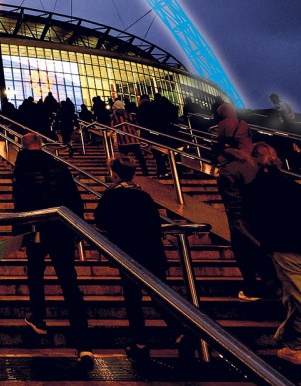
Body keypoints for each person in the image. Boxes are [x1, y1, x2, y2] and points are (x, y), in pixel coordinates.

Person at [94, 155, 185, 359]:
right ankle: (179, 332)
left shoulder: (112, 195)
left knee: (133, 299)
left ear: (115, 174)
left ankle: (140, 341)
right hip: (152, 251)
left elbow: (100, 220)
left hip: (128, 253)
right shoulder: (144, 195)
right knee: (160, 295)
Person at [12, 132, 92, 362]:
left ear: (23, 147)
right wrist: (77, 228)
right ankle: (83, 342)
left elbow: (21, 200)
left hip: (37, 228)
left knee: (36, 272)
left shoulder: (22, 167)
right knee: (69, 281)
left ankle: (38, 317)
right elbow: (75, 199)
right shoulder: (58, 166)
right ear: (41, 144)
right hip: (62, 227)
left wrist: (20, 232)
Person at [243, 142, 301, 365]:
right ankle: (293, 343)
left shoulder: (255, 187)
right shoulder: (291, 184)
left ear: (253, 160)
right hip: (297, 244)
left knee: (296, 295)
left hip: (282, 248)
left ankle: (291, 341)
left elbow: (248, 219)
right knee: (293, 294)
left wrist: (262, 244)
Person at [213, 104, 273, 301]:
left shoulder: (223, 126)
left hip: (241, 215)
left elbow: (219, 142)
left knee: (242, 246)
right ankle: (268, 281)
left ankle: (252, 286)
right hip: (250, 167)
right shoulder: (243, 123)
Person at [111, 100, 148, 176]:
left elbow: (113, 129)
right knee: (140, 157)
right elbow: (137, 127)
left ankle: (122, 172)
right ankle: (145, 171)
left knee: (122, 158)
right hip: (133, 139)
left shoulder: (114, 117)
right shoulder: (130, 115)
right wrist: (137, 137)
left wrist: (115, 141)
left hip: (123, 140)